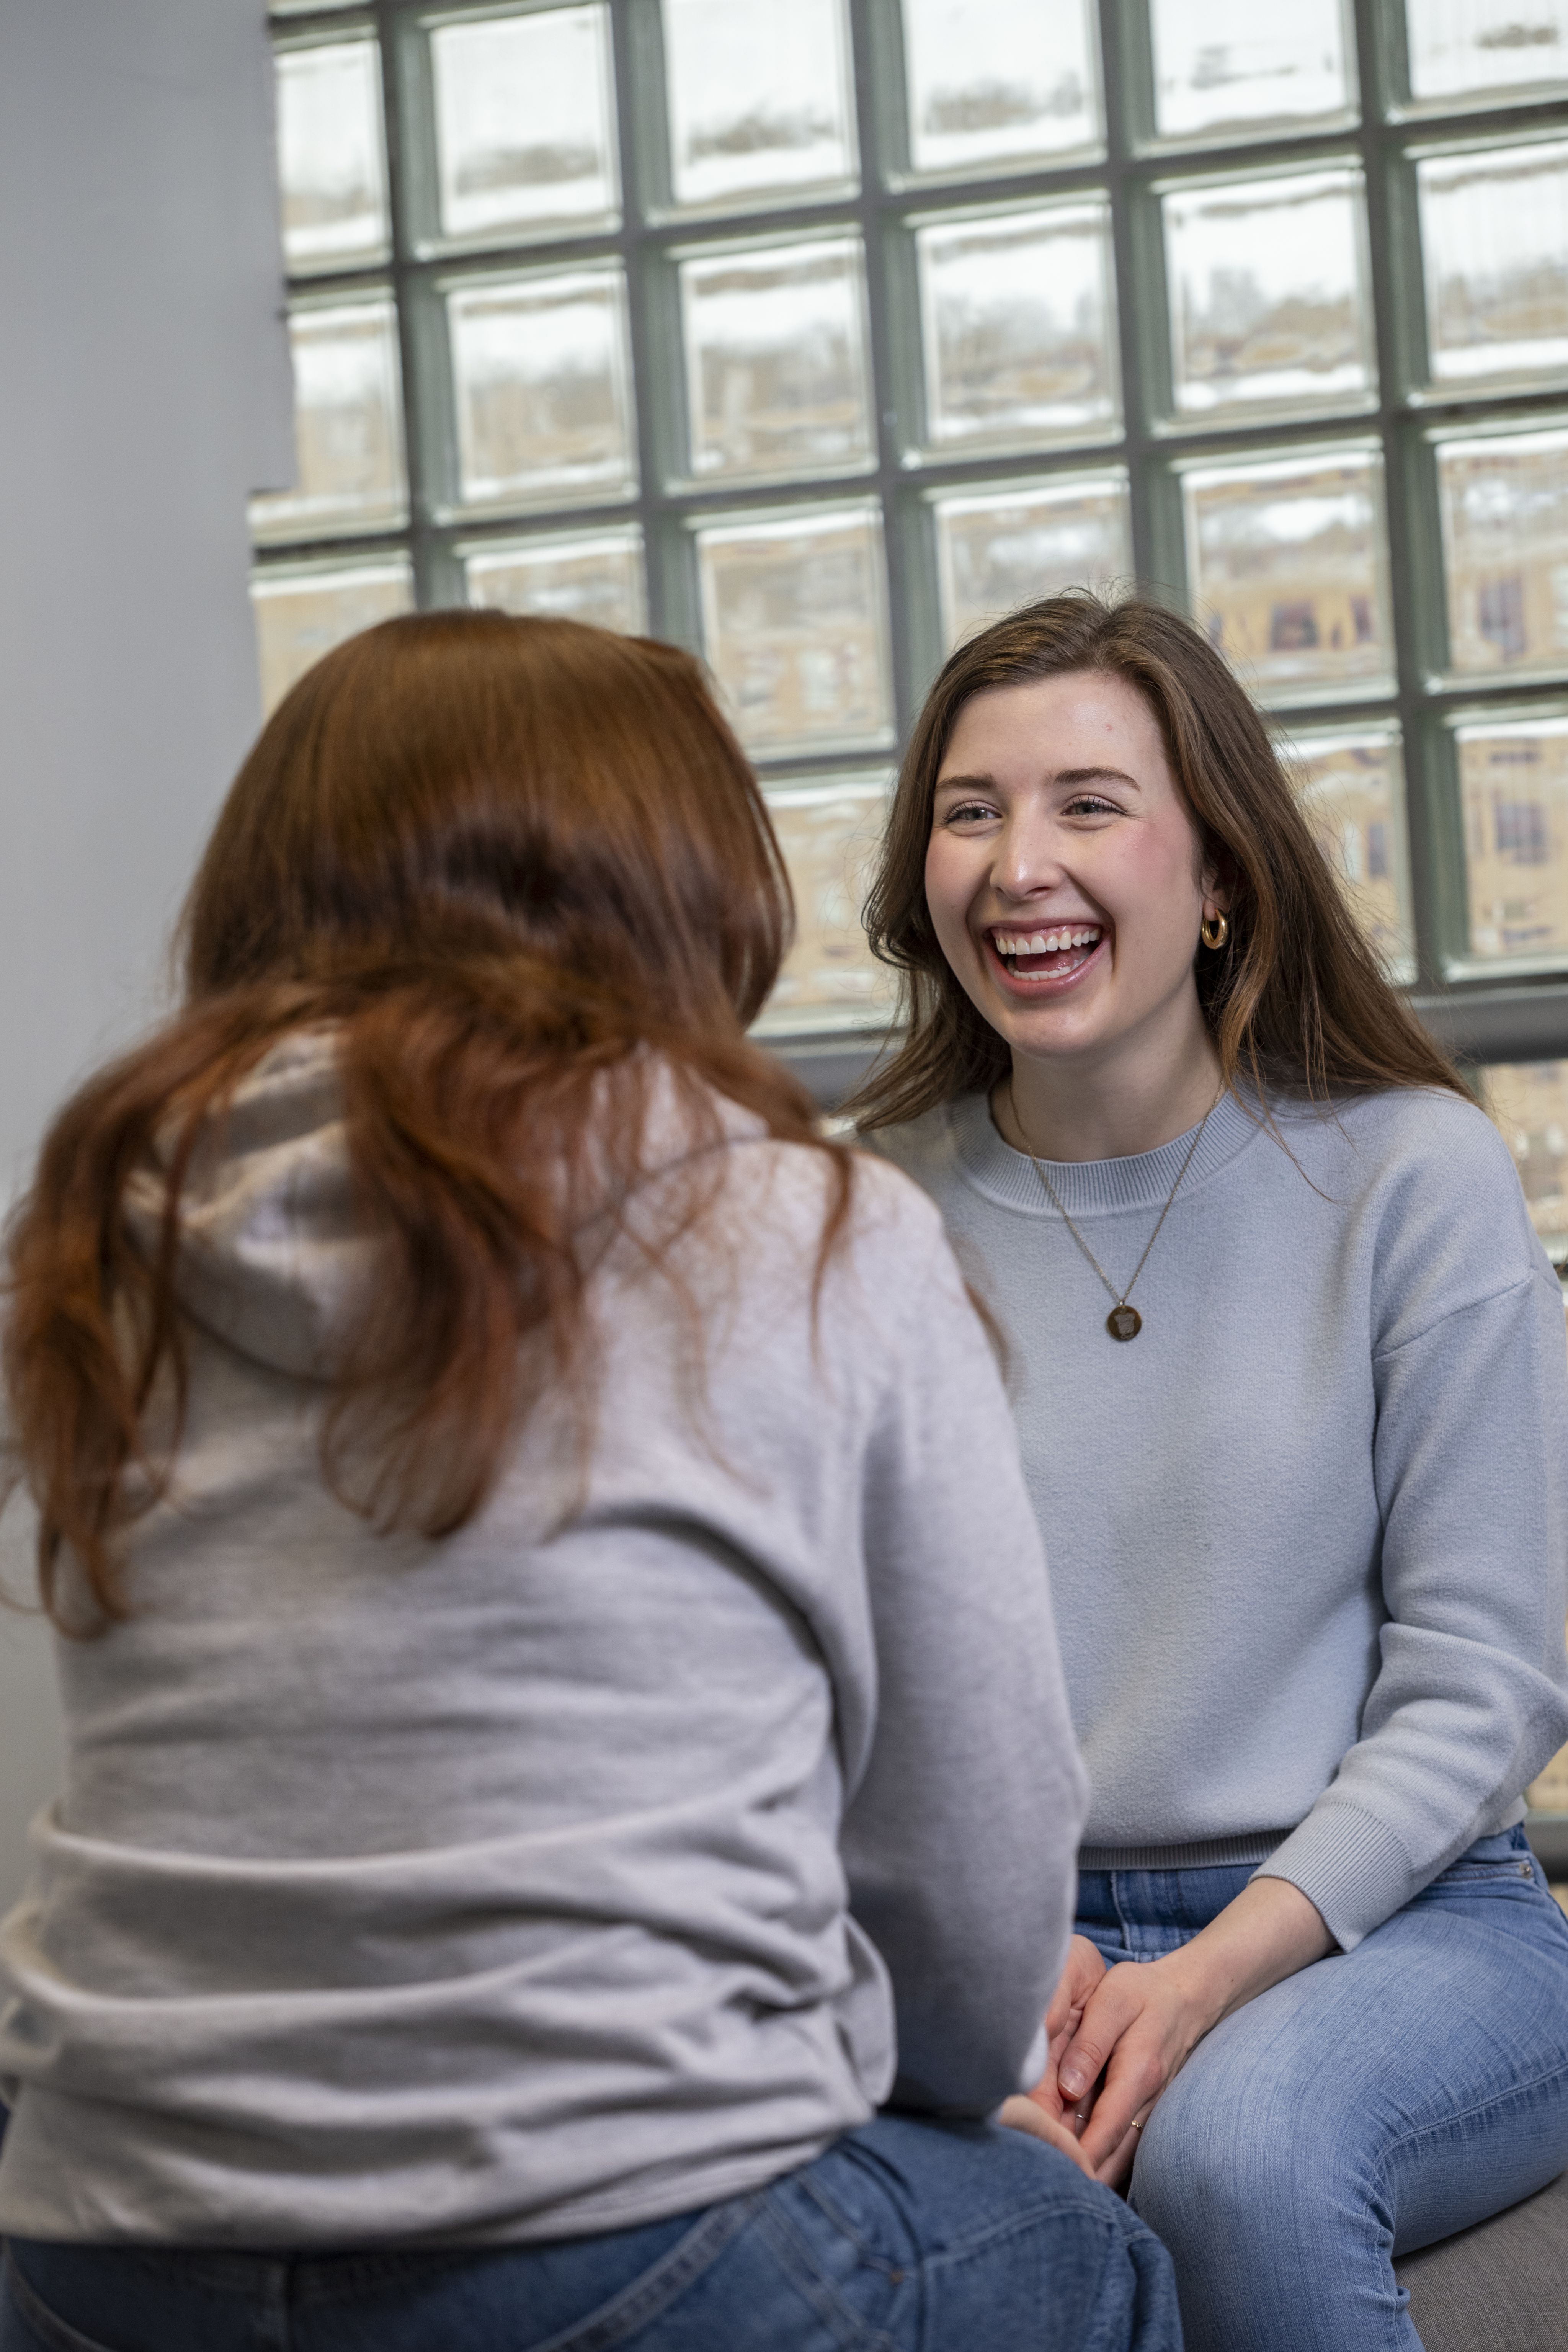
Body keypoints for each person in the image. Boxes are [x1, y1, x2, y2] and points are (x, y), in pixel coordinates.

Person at [0, 612, 1181, 2352]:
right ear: (672, 879)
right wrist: (939, 2084)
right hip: (615, 2242)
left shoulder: (110, 1221)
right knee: (1085, 2261)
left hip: (93, 2241)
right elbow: (969, 1842)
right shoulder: (799, 1229)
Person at [853, 589, 1568, 2352]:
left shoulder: (1412, 1179)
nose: (1019, 862)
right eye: (970, 810)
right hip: (988, 1934)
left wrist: (1205, 1978)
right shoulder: (854, 1215)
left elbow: (1487, 1677)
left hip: (1389, 1921)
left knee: (1239, 2152)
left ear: (1221, 871)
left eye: (1088, 803)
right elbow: (836, 1692)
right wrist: (996, 1980)